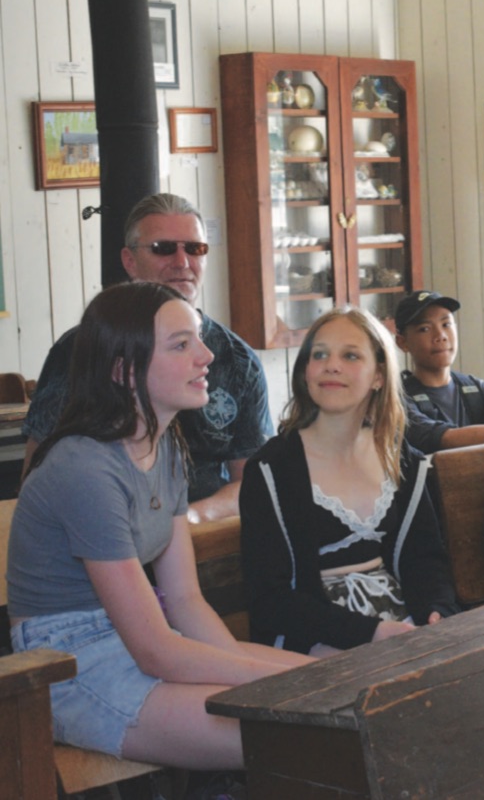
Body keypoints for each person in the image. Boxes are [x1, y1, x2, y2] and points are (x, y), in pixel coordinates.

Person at [6, 282, 311, 770]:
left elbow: (186, 603)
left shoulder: (167, 446)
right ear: (124, 370)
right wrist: (277, 681)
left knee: (339, 688)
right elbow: (156, 653)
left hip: (141, 634)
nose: (207, 355)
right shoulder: (84, 468)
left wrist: (308, 676)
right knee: (296, 731)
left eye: (198, 338)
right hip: (65, 664)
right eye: (181, 344)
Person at [23, 193, 273, 523]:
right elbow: (35, 474)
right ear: (129, 261)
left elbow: (253, 483)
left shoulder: (237, 359)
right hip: (99, 526)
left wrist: (190, 519)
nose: (182, 262)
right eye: (163, 248)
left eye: (195, 249)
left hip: (206, 535)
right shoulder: (83, 348)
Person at [239, 306, 461, 657]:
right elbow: (271, 600)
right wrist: (371, 632)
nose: (332, 365)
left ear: (378, 376)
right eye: (320, 354)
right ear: (305, 372)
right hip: (314, 636)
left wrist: (437, 612)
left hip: (399, 624)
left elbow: (425, 560)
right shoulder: (271, 469)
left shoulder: (403, 461)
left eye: (351, 355)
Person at [394, 290, 484, 454]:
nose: (440, 336)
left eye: (446, 325)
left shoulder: (475, 388)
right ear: (402, 342)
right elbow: (444, 438)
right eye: (424, 329)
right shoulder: (398, 398)